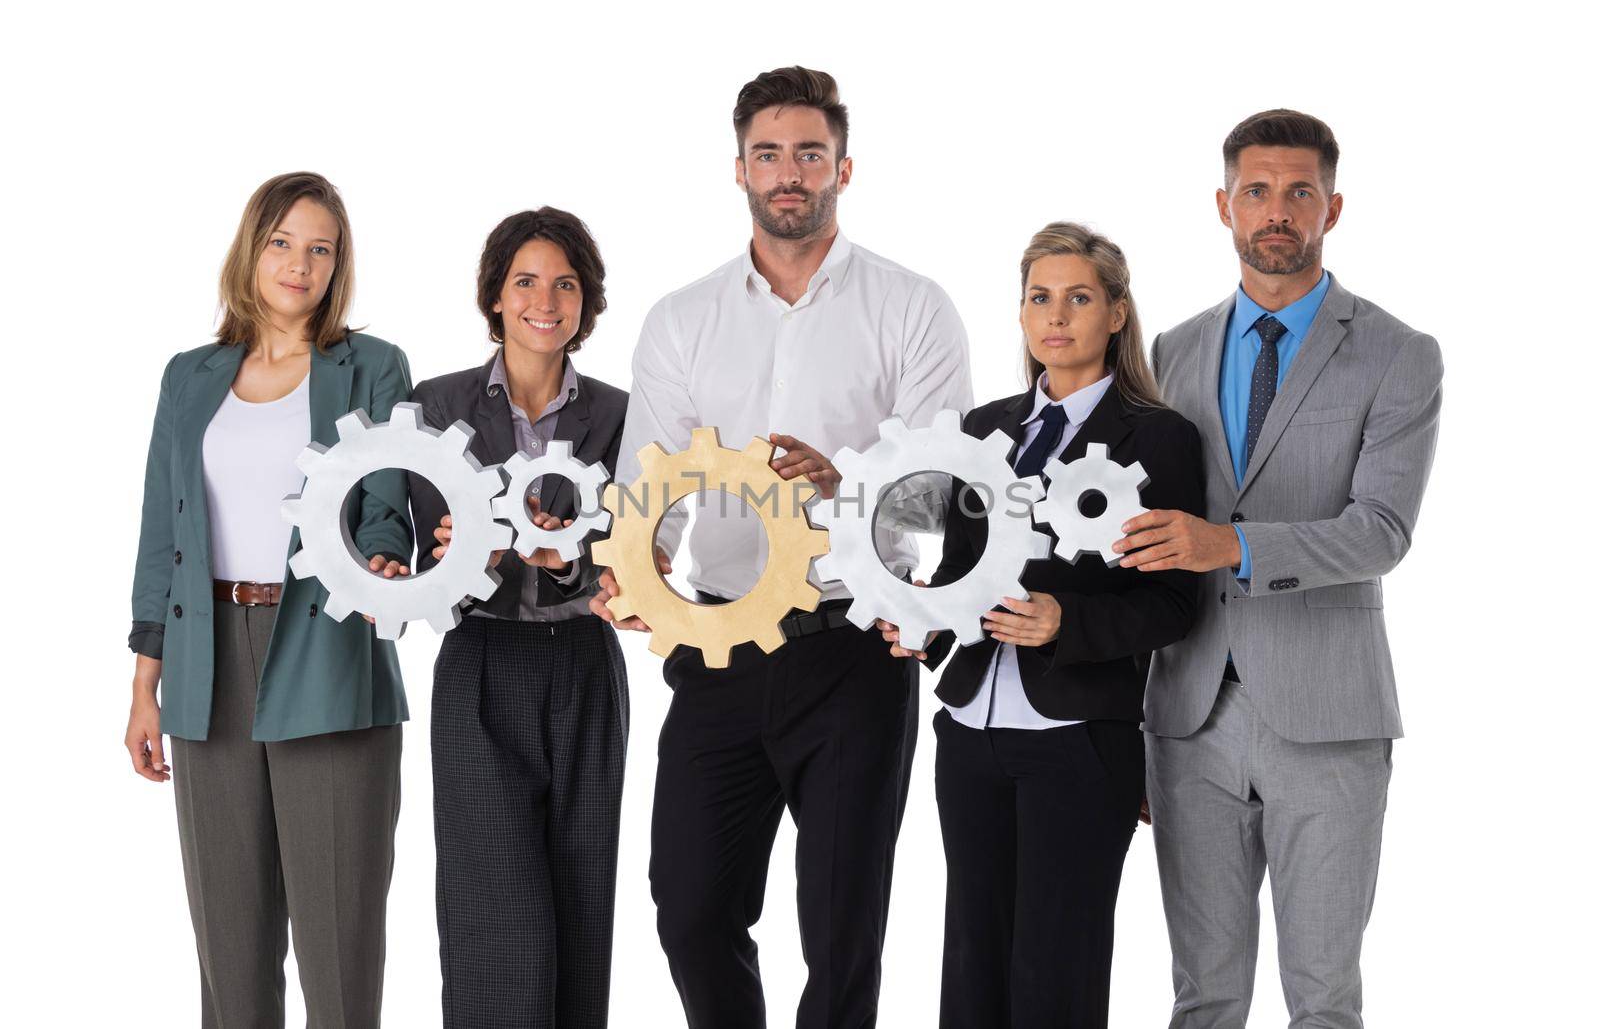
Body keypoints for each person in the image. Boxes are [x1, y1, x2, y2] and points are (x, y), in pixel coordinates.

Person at [591, 65, 973, 1028]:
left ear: (845, 165)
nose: (789, 172)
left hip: (851, 650)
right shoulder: (682, 319)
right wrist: (633, 579)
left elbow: (941, 498)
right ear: (739, 170)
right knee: (689, 907)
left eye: (810, 152)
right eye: (770, 154)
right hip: (718, 644)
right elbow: (651, 491)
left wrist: (844, 489)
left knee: (842, 931)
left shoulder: (912, 307)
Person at [1116, 110, 1444, 1028]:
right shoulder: (1174, 351)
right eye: (1257, 190)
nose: (1278, 210)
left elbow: (1382, 529)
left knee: (1325, 999)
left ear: (1332, 207)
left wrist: (1238, 545)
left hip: (1330, 718)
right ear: (1223, 204)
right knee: (1204, 995)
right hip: (1187, 717)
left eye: (1300, 192)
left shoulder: (1397, 353)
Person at [876, 222, 1205, 1028]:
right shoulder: (981, 429)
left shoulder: (1160, 436)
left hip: (1078, 737)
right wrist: (922, 627)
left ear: (1118, 313)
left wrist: (1066, 620)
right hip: (968, 727)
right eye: (1039, 297)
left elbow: (1175, 604)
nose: (1056, 316)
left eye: (1079, 297)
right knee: (973, 960)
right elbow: (944, 568)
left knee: (1055, 968)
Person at [124, 171, 413, 1026]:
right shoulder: (190, 377)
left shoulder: (372, 367)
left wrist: (389, 567)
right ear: (252, 248)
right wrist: (146, 683)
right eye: (284, 241)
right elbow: (161, 535)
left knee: (338, 945)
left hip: (326, 650)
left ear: (339, 265)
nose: (300, 263)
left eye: (321, 248)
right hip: (206, 661)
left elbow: (387, 503)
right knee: (230, 953)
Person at [408, 207, 629, 1028]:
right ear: (495, 297)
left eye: (566, 283)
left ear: (585, 301)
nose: (547, 299)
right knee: (493, 912)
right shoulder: (436, 406)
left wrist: (565, 560)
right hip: (482, 664)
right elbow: (427, 558)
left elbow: (631, 547)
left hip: (584, 663)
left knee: (580, 901)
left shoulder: (618, 415)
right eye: (526, 281)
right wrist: (473, 555)